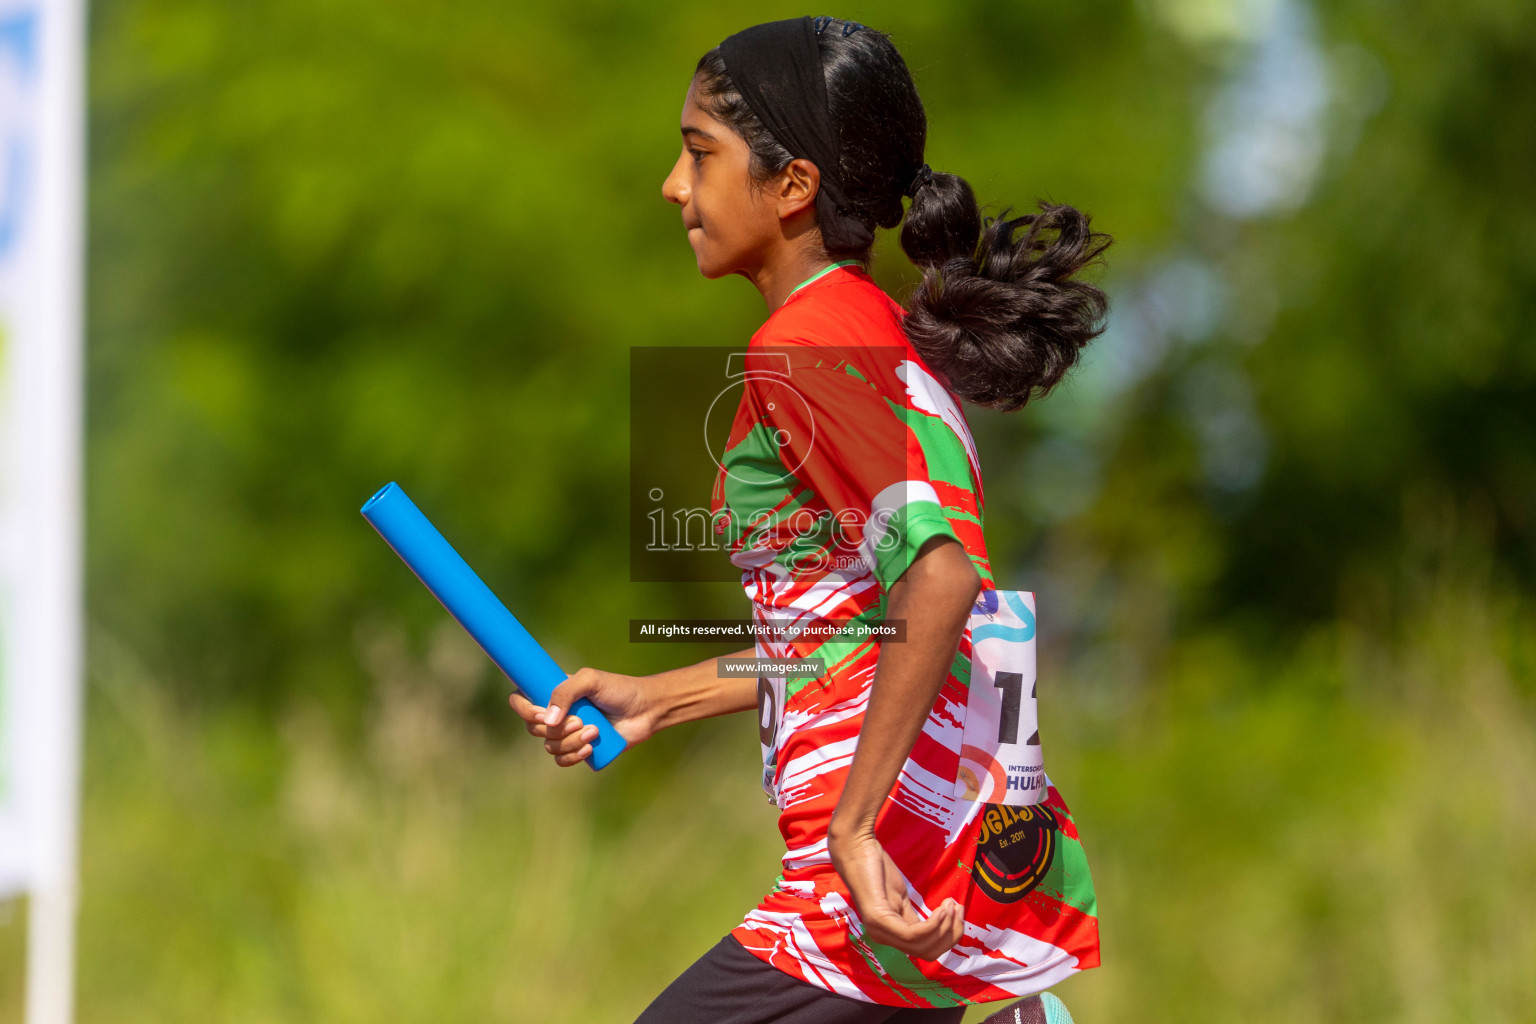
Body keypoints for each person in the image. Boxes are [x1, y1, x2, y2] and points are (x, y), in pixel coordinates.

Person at [509, 16, 1109, 1024]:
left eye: (700, 153)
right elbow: (851, 633)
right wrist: (665, 696)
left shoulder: (811, 346)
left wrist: (857, 827)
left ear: (791, 187)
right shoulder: (868, 336)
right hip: (941, 872)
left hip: (872, 889)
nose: (673, 184)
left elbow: (944, 576)